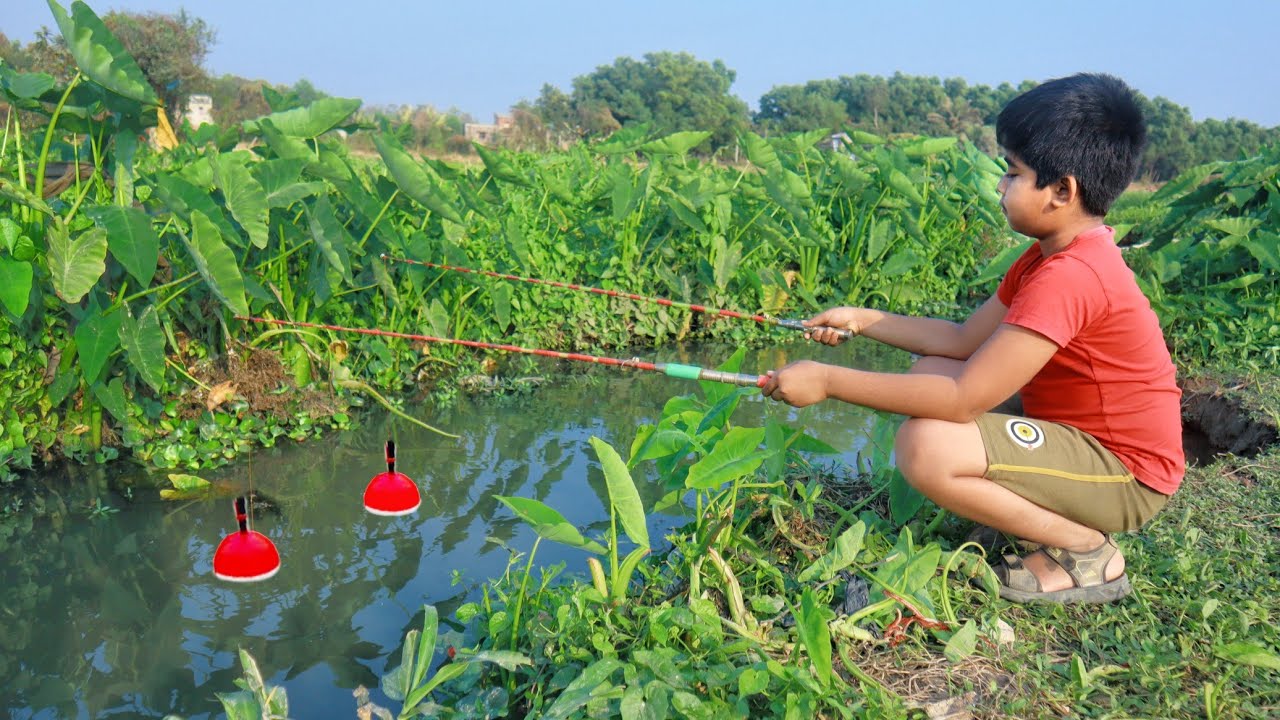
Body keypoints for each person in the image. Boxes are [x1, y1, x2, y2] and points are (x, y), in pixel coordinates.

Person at [760, 73, 1184, 604]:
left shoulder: (1071, 276)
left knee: (926, 446)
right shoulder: (1050, 256)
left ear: (1062, 191)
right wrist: (863, 319)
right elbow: (962, 341)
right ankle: (1042, 516)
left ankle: (1086, 551)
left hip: (1125, 477)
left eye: (1013, 173)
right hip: (1081, 440)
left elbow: (964, 401)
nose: (1001, 187)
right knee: (931, 371)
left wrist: (826, 380)